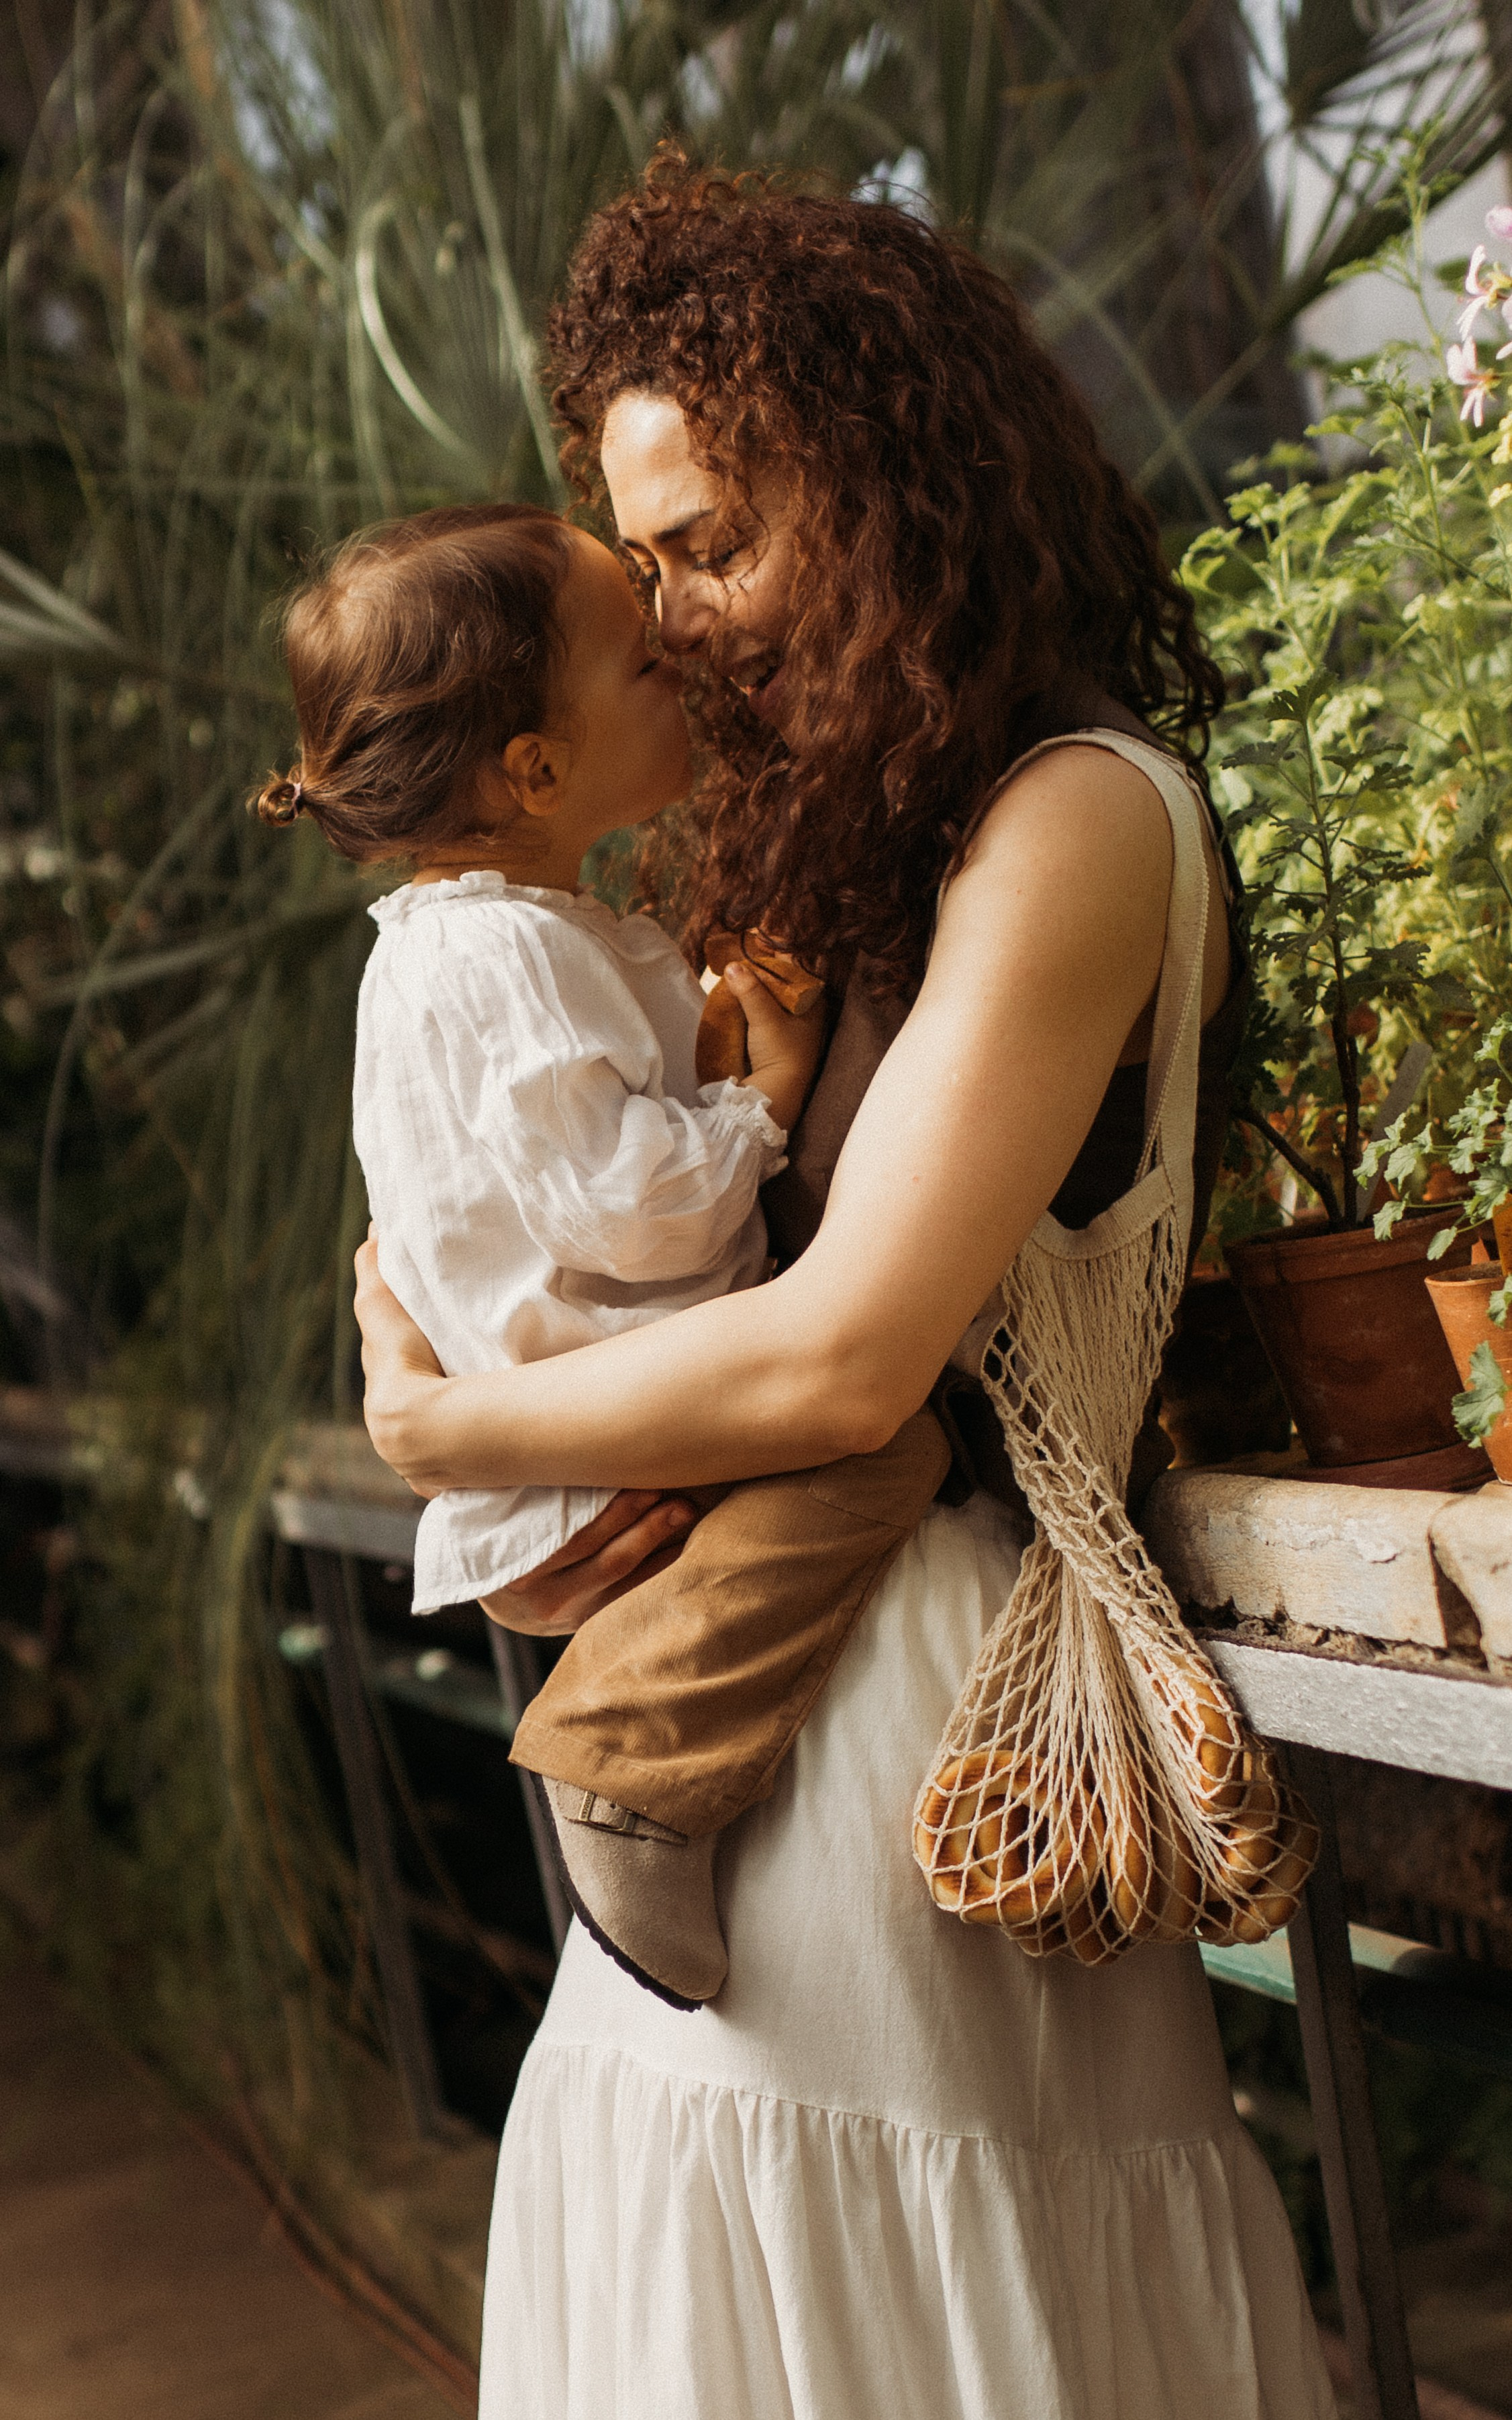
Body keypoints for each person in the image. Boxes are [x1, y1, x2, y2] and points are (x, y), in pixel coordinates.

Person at [354, 158, 1335, 2419]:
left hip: (922, 1744)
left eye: (712, 542)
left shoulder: (1072, 810)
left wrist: (450, 1432)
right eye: (649, 572)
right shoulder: (861, 830)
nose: (682, 621)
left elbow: (850, 1349)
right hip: (777, 1741)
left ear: (886, 482)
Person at [255, 502, 950, 2008]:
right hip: (596, 1433)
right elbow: (628, 1210)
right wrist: (765, 1095)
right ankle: (625, 1762)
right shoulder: (505, 957)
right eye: (642, 660)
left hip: (567, 1416)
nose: (680, 658)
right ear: (535, 771)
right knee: (889, 1457)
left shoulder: (495, 939)